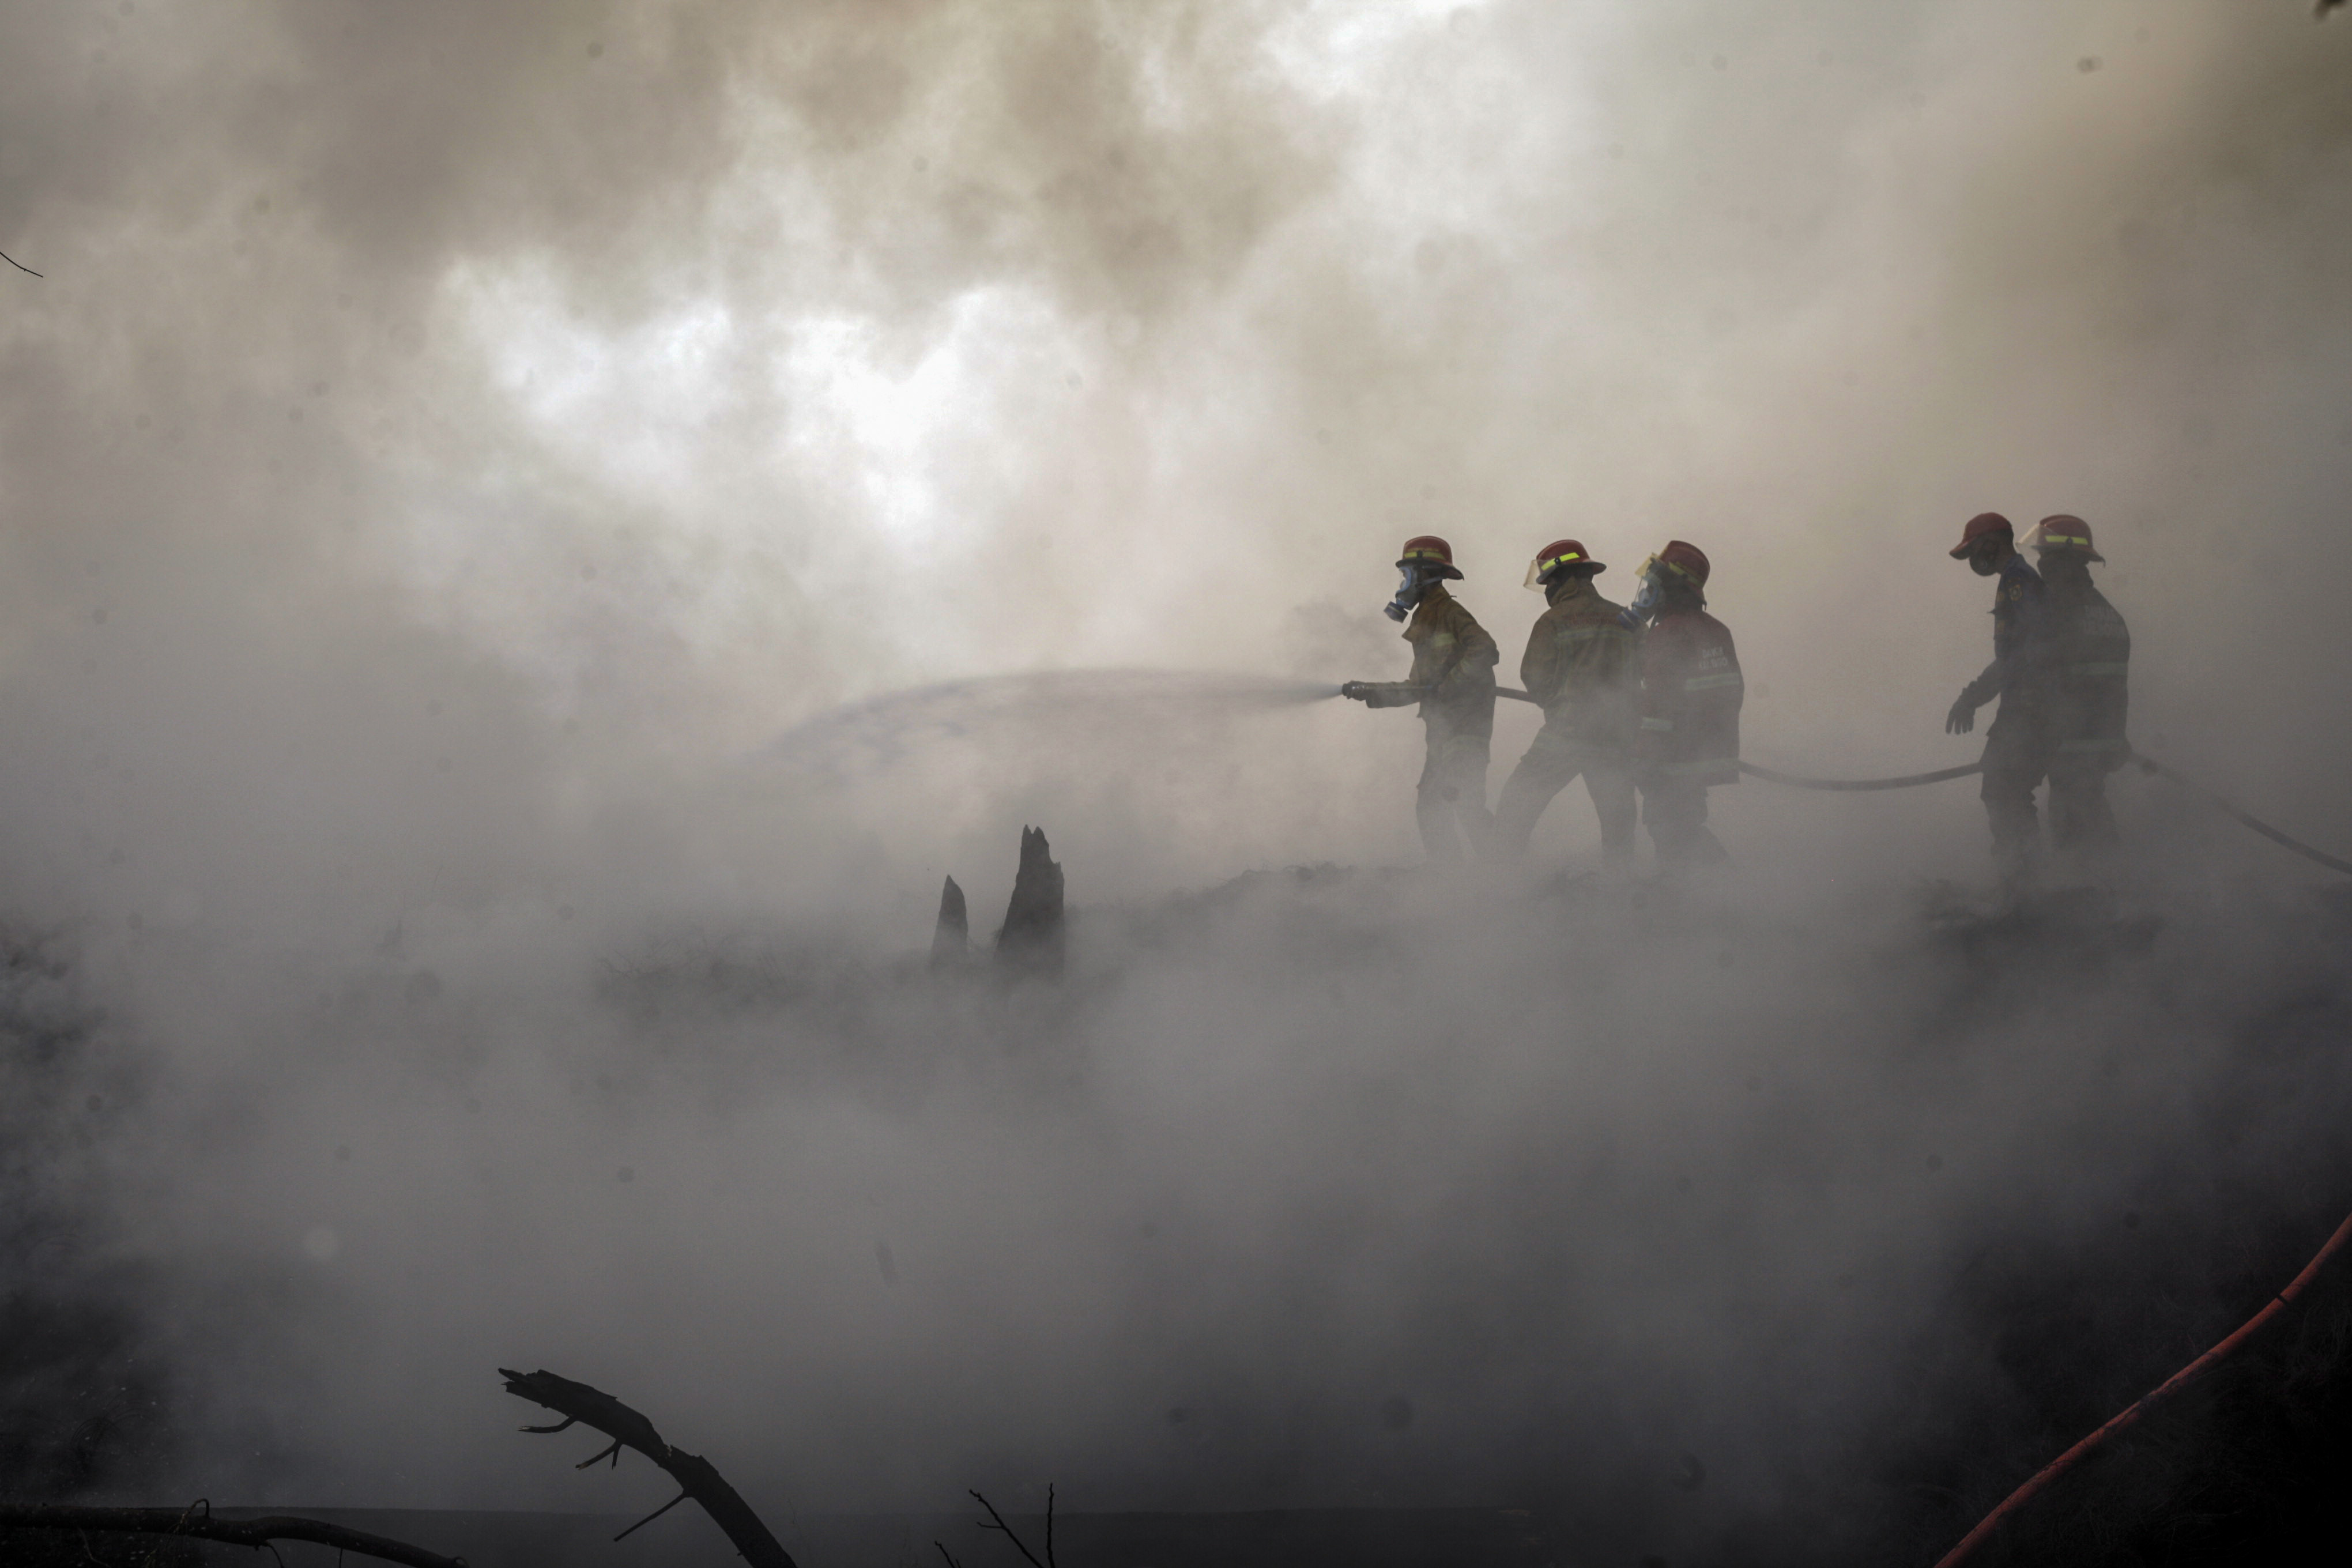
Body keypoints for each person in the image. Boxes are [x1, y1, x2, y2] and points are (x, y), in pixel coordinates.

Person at [1340, 535, 1499, 860]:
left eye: (1406, 574)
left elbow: (1486, 649)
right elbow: (1418, 687)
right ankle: (1450, 877)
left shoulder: (1449, 612)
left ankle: (1505, 869)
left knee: (1462, 801)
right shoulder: (1427, 619)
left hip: (1466, 728)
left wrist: (1451, 683)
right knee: (1431, 807)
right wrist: (1370, 691)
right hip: (1444, 733)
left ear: (1422, 574)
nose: (1402, 583)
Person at [1490, 539, 1639, 864]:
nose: (1547, 590)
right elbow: (1646, 671)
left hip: (1567, 731)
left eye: (1548, 582)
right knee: (1618, 818)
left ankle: (1500, 875)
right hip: (1616, 735)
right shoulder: (1626, 618)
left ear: (1562, 579)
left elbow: (1534, 676)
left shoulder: (1553, 620)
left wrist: (1559, 705)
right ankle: (1623, 882)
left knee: (1519, 801)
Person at [1945, 511, 2057, 877]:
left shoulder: (2018, 581)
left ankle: (2023, 882)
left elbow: (2026, 651)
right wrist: (1974, 697)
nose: (1973, 559)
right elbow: (2015, 656)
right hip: (2025, 708)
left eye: (1974, 549)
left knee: (2004, 791)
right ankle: (2021, 878)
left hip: (2029, 709)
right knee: (2003, 791)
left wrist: (1972, 698)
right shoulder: (2013, 579)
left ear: (1993, 541)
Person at [1626, 541, 1743, 869]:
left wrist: (1645, 756)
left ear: (1672, 586)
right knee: (1684, 825)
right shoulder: (1716, 629)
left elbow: (1658, 705)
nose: (1648, 592)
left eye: (1655, 584)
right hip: (1703, 754)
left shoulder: (1668, 633)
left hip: (1670, 757)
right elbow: (1734, 693)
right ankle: (1698, 885)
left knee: (1669, 828)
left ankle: (1704, 885)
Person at [2029, 515, 2131, 858]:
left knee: (2071, 816)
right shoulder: (2108, 614)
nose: (2040, 564)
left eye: (2046, 556)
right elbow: (2114, 688)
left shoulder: (2058, 610)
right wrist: (2115, 739)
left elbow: (2027, 668)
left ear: (2065, 559)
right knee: (2090, 806)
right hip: (2098, 740)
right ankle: (2115, 878)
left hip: (2069, 739)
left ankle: (2089, 883)